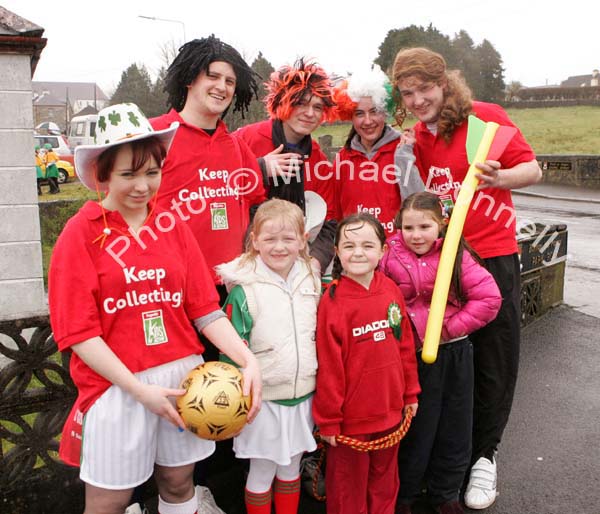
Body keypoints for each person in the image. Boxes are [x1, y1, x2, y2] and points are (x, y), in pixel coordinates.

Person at [48, 103, 262, 514]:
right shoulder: (80, 234)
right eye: (128, 174)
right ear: (102, 174)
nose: (143, 186)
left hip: (183, 379)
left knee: (180, 482)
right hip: (118, 387)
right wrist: (138, 390)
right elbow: (78, 333)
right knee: (109, 500)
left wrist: (246, 359)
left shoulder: (171, 224)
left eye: (152, 172)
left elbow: (204, 310)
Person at [391, 47, 543, 510]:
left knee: (496, 358)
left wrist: (500, 178)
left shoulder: (485, 118)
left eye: (425, 88)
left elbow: (533, 169)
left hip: (491, 255)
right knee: (448, 366)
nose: (418, 100)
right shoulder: (416, 136)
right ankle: (445, 459)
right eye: (407, 93)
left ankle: (485, 457)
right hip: (443, 259)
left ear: (446, 83)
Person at [379, 192, 502, 514]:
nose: (416, 235)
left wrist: (448, 328)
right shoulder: (388, 255)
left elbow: (489, 298)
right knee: (413, 428)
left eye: (424, 226)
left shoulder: (456, 255)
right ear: (398, 227)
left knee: (453, 426)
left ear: (441, 225)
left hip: (452, 354)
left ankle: (445, 492)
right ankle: (404, 494)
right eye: (408, 227)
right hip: (407, 356)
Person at [215, 198, 321, 514]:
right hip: (263, 400)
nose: (279, 247)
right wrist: (239, 398)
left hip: (303, 394)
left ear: (303, 240)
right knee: (261, 473)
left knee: (290, 469)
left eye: (288, 238)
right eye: (270, 239)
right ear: (255, 240)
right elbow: (230, 347)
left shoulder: (312, 278)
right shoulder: (243, 288)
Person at [312, 212, 420, 514]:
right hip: (350, 422)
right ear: (336, 252)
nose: (358, 252)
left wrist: (410, 394)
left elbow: (405, 347)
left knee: (385, 484)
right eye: (349, 246)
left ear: (383, 251)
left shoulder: (390, 290)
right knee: (348, 489)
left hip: (390, 411)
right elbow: (329, 367)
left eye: (367, 245)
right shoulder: (332, 302)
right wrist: (329, 420)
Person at [150, 35, 266, 306]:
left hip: (229, 289)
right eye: (212, 77)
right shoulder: (155, 135)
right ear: (190, 78)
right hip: (171, 289)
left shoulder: (236, 146)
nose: (221, 87)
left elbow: (257, 205)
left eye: (229, 81)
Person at [234, 59, 337, 274]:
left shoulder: (317, 159)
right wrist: (259, 169)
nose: (310, 113)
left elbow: (330, 221)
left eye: (317, 107)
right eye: (301, 103)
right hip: (245, 261)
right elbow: (218, 188)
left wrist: (315, 264)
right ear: (282, 102)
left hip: (296, 263)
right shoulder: (246, 139)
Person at [331, 66, 416, 236]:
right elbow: (337, 214)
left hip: (397, 254)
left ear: (385, 112)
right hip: (357, 255)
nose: (368, 121)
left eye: (374, 111)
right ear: (350, 116)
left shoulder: (403, 149)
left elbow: (419, 205)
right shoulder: (343, 159)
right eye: (359, 113)